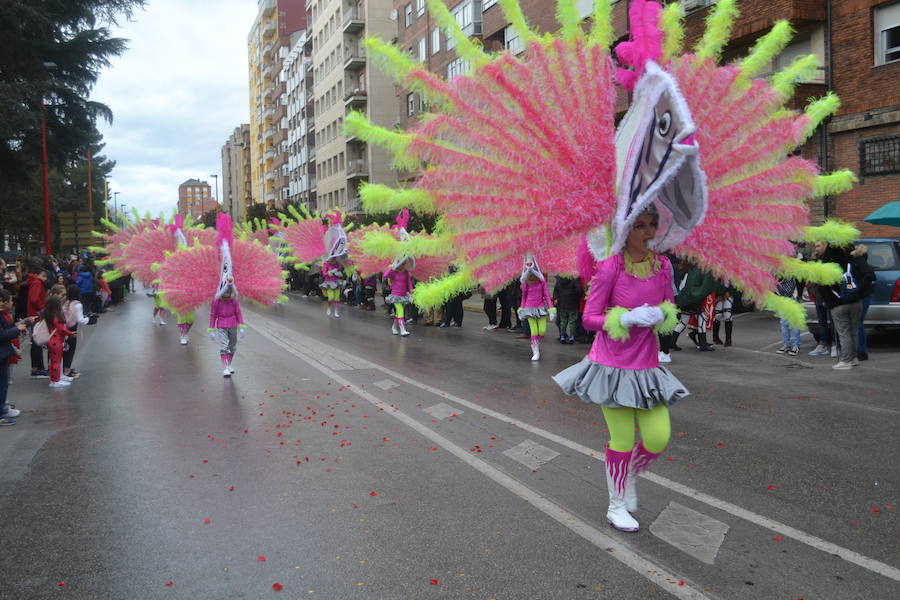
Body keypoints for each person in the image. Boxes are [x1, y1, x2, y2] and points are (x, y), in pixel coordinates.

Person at [554, 210, 685, 533]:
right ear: (624, 231)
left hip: (647, 365)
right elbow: (590, 318)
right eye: (639, 225)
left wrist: (661, 314)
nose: (648, 232)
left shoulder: (663, 266)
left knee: (658, 438)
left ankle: (627, 478)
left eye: (652, 225)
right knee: (622, 439)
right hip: (611, 366)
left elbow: (670, 306)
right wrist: (623, 318)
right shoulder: (611, 265)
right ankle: (616, 505)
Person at [517, 255, 554, 361]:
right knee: (534, 331)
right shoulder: (525, 284)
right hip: (529, 309)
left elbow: (547, 296)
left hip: (540, 308)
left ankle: (536, 343)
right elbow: (523, 298)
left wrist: (551, 310)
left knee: (542, 331)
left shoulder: (542, 283)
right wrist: (521, 309)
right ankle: (535, 351)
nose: (531, 272)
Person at [1, 289, 27, 425]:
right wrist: (17, 329)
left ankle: (4, 408)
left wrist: (19, 326)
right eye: (10, 301)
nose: (12, 303)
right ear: (3, 302)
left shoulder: (3, 314)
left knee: (4, 384)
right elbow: (2, 335)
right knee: (1, 384)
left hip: (4, 353)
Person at [208, 284, 244, 377]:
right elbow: (213, 315)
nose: (227, 295)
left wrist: (242, 325)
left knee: (232, 345)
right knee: (224, 346)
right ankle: (226, 367)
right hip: (221, 325)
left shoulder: (234, 301)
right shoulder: (216, 301)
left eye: (229, 292)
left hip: (233, 324)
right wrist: (211, 329)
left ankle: (229, 364)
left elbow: (238, 313)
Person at [42, 294, 76, 388]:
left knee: (54, 361)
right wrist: (70, 333)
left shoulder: (49, 314)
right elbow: (61, 329)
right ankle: (55, 381)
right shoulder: (56, 316)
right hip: (56, 341)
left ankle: (56, 379)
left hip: (53, 340)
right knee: (56, 362)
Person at [850, 244, 876, 361]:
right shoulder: (861, 261)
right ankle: (860, 350)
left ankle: (861, 351)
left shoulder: (858, 262)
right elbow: (871, 276)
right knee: (858, 323)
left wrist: (858, 289)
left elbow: (870, 275)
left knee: (858, 323)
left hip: (861, 297)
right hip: (864, 296)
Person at [25, 267, 49, 378]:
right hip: (37, 315)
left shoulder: (34, 282)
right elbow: (34, 299)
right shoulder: (37, 283)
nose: (45, 278)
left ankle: (37, 368)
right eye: (43, 276)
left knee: (36, 342)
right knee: (37, 342)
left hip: (34, 314)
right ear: (38, 275)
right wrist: (43, 308)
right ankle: (38, 369)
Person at [62, 284, 89, 379]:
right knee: (71, 350)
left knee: (65, 350)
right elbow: (80, 320)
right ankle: (67, 371)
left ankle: (64, 369)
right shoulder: (77, 304)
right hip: (72, 330)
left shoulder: (65, 303)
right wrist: (88, 319)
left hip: (64, 329)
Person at [384, 258, 414, 336]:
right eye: (401, 263)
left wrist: (411, 292)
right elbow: (385, 275)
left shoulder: (406, 272)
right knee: (400, 310)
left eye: (404, 264)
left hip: (403, 296)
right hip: (395, 295)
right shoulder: (394, 272)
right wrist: (392, 267)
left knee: (398, 313)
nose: (403, 265)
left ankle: (394, 327)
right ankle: (402, 329)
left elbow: (409, 283)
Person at [553, 275, 582, 344]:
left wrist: (557, 300)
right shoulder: (574, 280)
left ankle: (562, 336)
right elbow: (579, 290)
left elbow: (556, 291)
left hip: (562, 304)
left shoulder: (559, 280)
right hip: (572, 304)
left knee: (563, 322)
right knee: (572, 322)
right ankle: (571, 337)